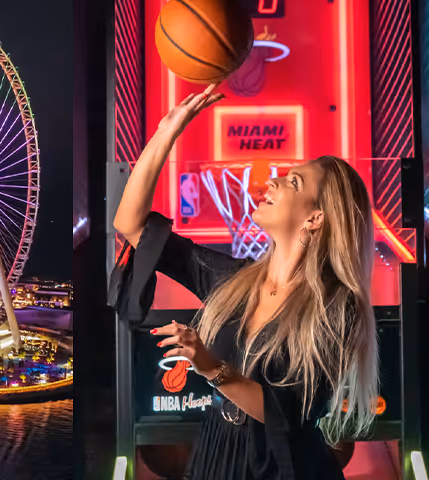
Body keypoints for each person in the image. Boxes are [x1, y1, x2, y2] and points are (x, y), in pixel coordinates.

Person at [111, 85, 378, 479]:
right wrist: (166, 131)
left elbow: (285, 412)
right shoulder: (231, 280)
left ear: (315, 219)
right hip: (217, 453)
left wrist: (207, 364)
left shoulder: (338, 307)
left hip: (285, 465)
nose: (272, 182)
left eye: (292, 182)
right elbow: (131, 225)